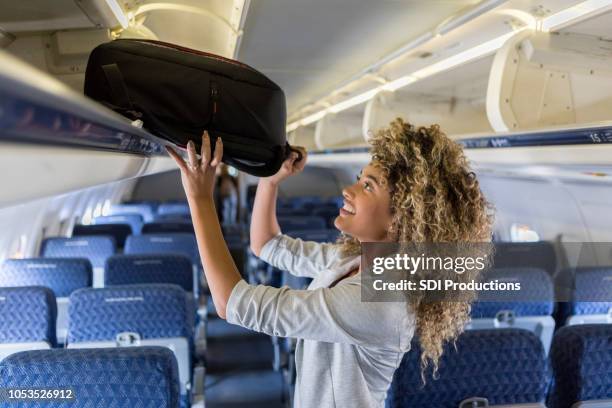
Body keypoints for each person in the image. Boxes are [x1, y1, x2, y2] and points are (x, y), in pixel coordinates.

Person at [165, 118, 492, 407]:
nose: (349, 190)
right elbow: (266, 244)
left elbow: (232, 303)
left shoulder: (380, 301)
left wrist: (200, 198)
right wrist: (270, 180)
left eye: (367, 186)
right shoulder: (353, 260)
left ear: (399, 219)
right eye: (359, 178)